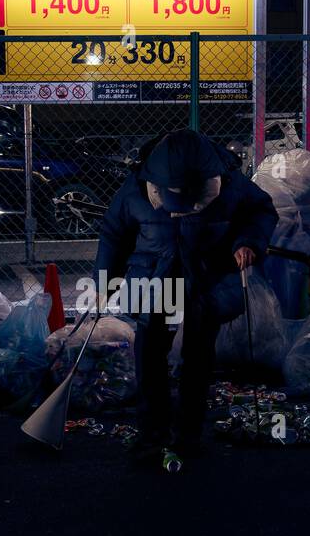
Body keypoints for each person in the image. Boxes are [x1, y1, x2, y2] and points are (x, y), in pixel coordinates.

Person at [94, 129, 276, 458]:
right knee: (150, 354)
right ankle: (153, 433)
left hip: (207, 278)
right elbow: (113, 232)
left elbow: (260, 211)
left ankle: (189, 433)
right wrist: (106, 279)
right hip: (156, 278)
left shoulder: (231, 183)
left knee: (199, 357)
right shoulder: (137, 186)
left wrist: (248, 242)